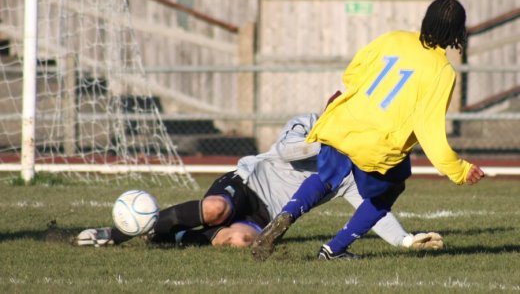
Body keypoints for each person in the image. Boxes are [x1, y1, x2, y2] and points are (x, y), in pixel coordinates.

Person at [251, 0, 485, 261]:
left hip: (343, 122)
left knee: (327, 178)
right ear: (457, 31)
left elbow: (353, 73)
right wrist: (459, 169)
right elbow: (429, 129)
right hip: (378, 143)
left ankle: (286, 215)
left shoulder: (394, 38)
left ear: (426, 19)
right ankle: (334, 250)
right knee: (389, 191)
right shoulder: (442, 71)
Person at [76, 113, 443, 250]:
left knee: (240, 240)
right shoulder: (309, 122)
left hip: (265, 217)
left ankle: (173, 235)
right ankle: (118, 232)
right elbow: (285, 152)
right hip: (246, 183)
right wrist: (329, 141)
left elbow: (374, 209)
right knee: (217, 209)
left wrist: (407, 241)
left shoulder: (352, 173)